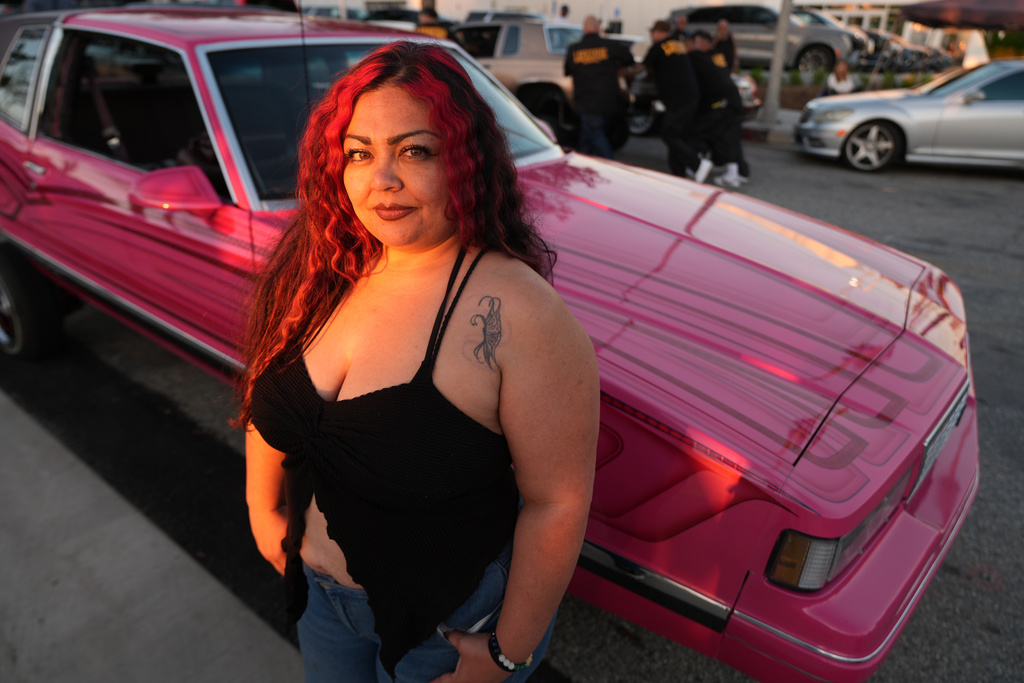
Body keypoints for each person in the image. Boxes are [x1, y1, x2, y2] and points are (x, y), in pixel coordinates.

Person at [237, 41, 599, 683]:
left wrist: (503, 657)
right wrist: (265, 514)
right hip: (322, 605)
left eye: (415, 150)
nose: (381, 181)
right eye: (359, 153)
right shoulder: (325, 268)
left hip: (449, 626)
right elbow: (273, 402)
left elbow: (558, 503)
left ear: (465, 160)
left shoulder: (518, 313)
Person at [563, 15, 634, 159]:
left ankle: (611, 167)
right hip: (608, 100)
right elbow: (629, 58)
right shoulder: (609, 45)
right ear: (597, 28)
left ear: (584, 30)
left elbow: (567, 71)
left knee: (594, 134)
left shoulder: (574, 49)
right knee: (588, 134)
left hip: (586, 101)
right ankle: (581, 162)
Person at [640, 20, 701, 179]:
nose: (652, 36)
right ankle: (678, 174)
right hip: (690, 96)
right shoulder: (678, 44)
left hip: (679, 99)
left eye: (652, 33)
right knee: (678, 135)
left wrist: (623, 74)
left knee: (668, 132)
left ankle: (696, 163)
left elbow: (642, 68)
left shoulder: (659, 46)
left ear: (659, 32)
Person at [691, 30, 748, 187]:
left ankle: (731, 173)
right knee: (731, 136)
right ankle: (739, 171)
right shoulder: (717, 55)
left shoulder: (703, 57)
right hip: (731, 97)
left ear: (702, 43)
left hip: (723, 101)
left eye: (696, 43)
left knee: (724, 136)